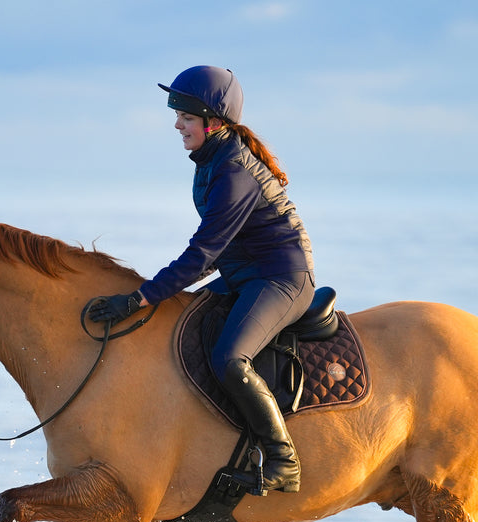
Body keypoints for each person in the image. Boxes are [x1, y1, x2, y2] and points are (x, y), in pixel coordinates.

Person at [90, 65, 315, 495]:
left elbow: (202, 255)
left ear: (213, 122)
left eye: (186, 117)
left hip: (280, 280)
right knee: (173, 324)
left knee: (230, 359)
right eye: (177, 115)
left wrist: (138, 298)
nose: (177, 125)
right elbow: (216, 253)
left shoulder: (232, 170)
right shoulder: (212, 159)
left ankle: (283, 459)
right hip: (241, 276)